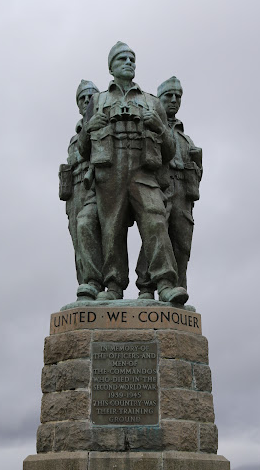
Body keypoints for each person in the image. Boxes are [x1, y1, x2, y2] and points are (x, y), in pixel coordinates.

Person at [78, 42, 188, 305]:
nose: (129, 62)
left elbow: (170, 150)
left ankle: (165, 284)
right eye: (122, 59)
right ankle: (114, 286)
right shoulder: (98, 100)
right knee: (111, 229)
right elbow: (84, 151)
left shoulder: (150, 101)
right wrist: (88, 128)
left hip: (143, 173)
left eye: (132, 59)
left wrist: (159, 128)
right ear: (111, 67)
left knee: (155, 221)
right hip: (110, 172)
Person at [136, 76, 202, 296]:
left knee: (182, 245)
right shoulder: (150, 126)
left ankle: (178, 289)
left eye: (178, 96)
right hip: (159, 188)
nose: (174, 100)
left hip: (183, 193)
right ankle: (145, 287)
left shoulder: (186, 138)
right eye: (168, 96)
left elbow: (198, 170)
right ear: (159, 99)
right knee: (155, 235)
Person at [59, 80, 103, 300]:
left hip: (96, 186)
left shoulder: (102, 126)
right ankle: (86, 285)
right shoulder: (74, 137)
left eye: (90, 97)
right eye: (82, 98)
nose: (86, 101)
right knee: (78, 241)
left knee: (92, 232)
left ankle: (98, 282)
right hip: (74, 191)